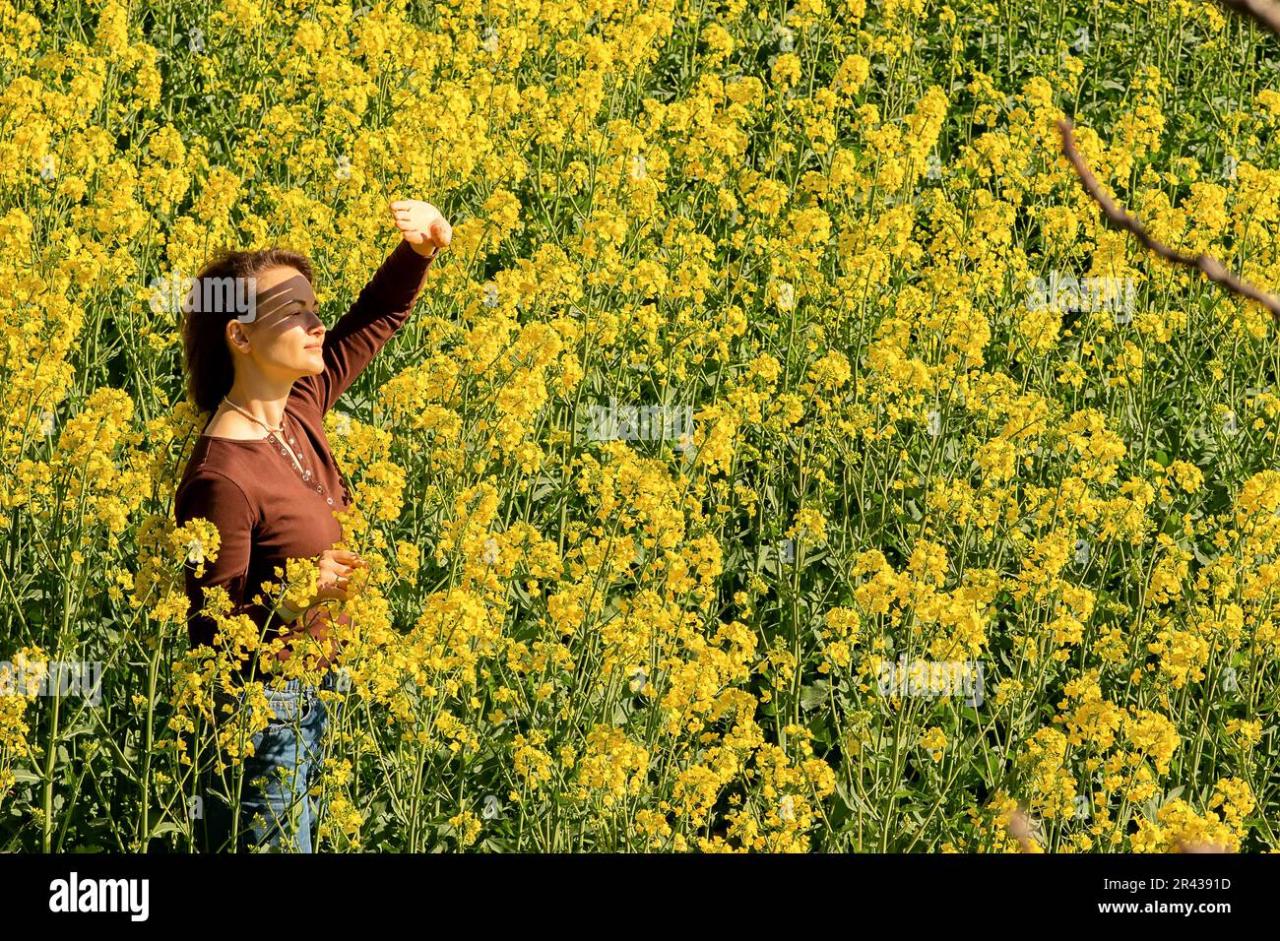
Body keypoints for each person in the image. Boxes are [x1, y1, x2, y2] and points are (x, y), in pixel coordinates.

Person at [173, 199, 450, 852]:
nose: (315, 321)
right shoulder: (220, 479)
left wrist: (421, 250)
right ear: (239, 336)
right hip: (262, 722)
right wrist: (297, 592)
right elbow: (213, 635)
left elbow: (371, 320)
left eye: (312, 304)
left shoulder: (298, 405)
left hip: (315, 696)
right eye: (293, 311)